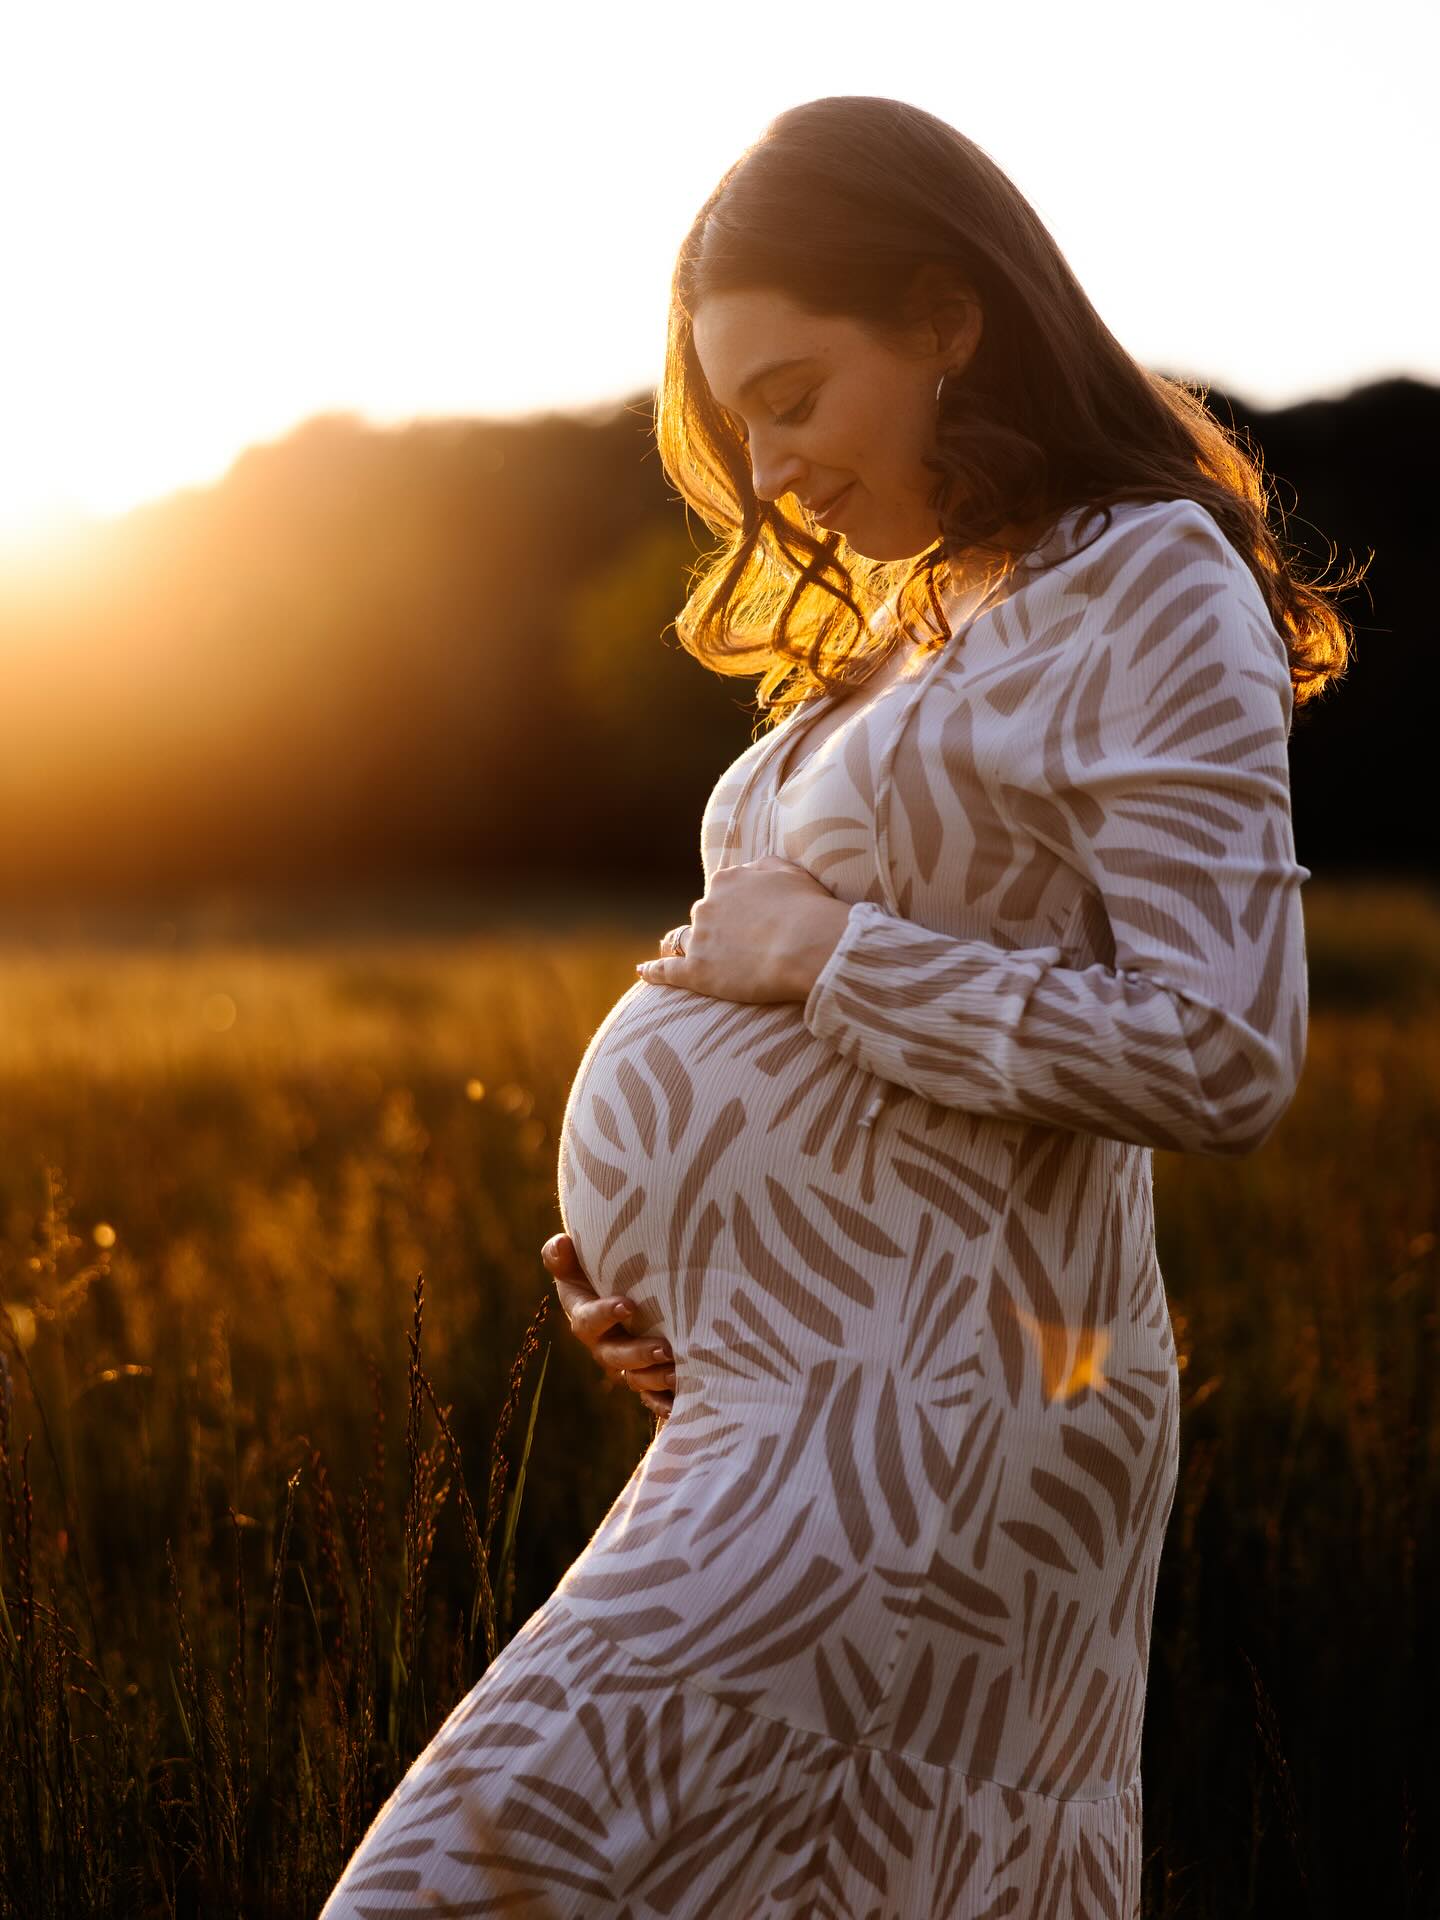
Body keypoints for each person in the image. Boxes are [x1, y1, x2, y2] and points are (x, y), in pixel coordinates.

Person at [321, 94, 1348, 1919]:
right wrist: (692, 1287)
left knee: (454, 1885)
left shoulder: (1147, 573)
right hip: (797, 1397)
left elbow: (1222, 1048)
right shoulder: (936, 605)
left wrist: (825, 958)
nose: (771, 466)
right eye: (742, 424)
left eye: (793, 397)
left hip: (954, 1411)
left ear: (948, 316)